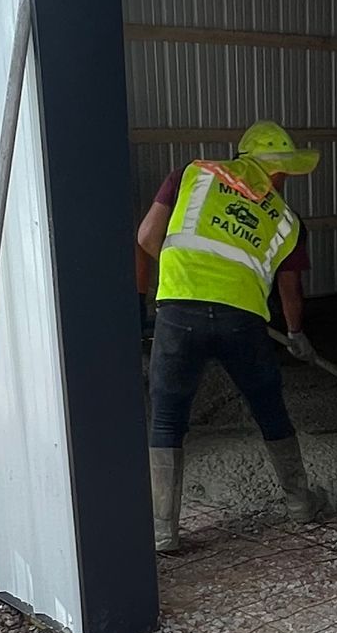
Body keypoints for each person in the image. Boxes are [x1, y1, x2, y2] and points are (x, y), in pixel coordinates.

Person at [135, 120, 325, 552]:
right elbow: (289, 291)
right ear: (276, 171)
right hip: (243, 321)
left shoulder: (190, 175)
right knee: (269, 408)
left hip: (179, 310)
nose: (283, 181)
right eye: (284, 174)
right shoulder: (287, 221)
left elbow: (147, 237)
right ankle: (301, 505)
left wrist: (185, 273)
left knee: (167, 418)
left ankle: (164, 532)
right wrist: (297, 335)